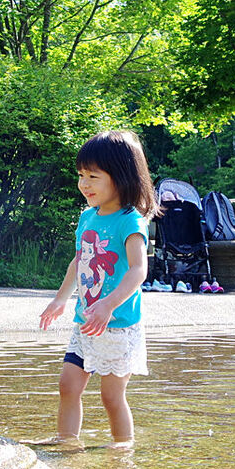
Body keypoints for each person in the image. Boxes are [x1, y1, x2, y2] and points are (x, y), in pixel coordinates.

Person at [39, 130, 160, 449]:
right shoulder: (87, 218)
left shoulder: (130, 222)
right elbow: (79, 260)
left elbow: (138, 269)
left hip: (118, 326)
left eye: (94, 176)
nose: (84, 184)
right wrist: (61, 299)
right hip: (87, 323)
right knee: (68, 385)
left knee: (111, 396)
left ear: (121, 178)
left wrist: (108, 304)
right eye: (81, 175)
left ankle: (123, 448)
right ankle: (67, 441)